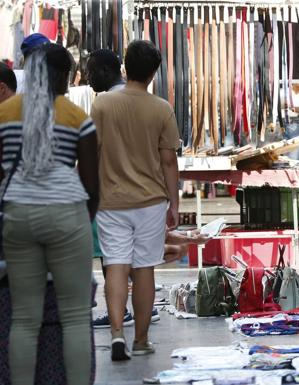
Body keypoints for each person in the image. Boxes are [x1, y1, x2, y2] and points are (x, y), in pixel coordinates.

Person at [0, 44, 98, 385]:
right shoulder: (76, 117)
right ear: (63, 76)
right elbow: (91, 184)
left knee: (24, 318)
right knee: (74, 317)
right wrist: (80, 225)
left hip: (18, 214)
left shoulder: (6, 112)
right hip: (67, 214)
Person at [91, 40, 180, 361]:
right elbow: (169, 160)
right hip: (151, 202)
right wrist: (175, 203)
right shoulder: (161, 108)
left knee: (115, 266)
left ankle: (117, 334)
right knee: (144, 269)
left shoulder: (101, 104)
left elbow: (92, 151)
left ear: (125, 67)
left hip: (111, 200)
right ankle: (141, 340)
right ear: (154, 73)